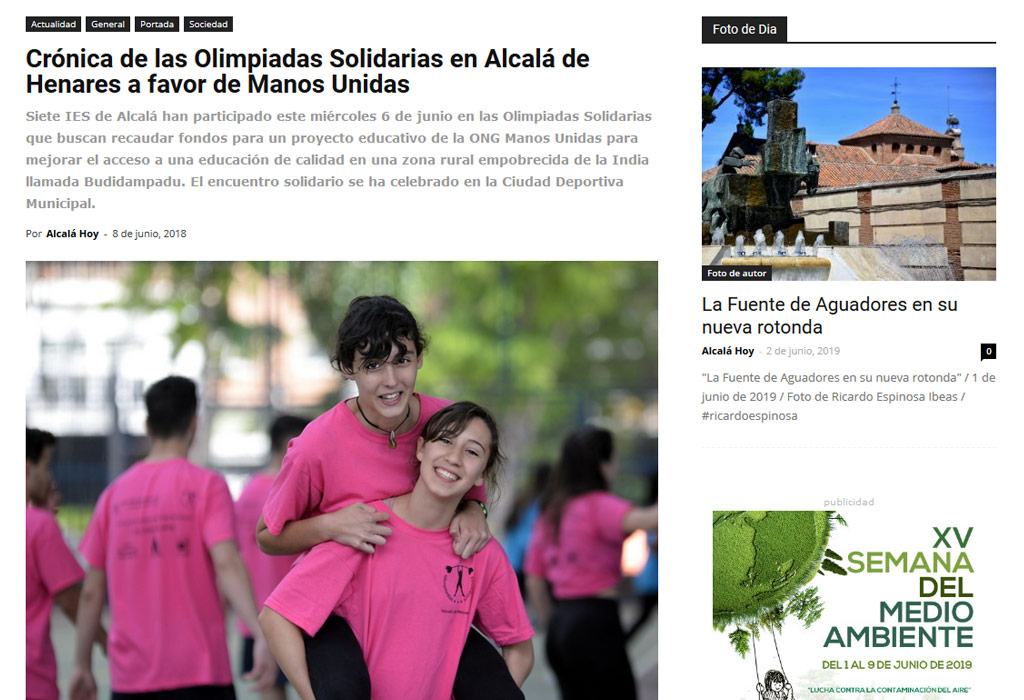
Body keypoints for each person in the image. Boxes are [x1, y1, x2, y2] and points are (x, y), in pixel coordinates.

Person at [256, 295, 518, 700]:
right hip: (339, 602)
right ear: (349, 368)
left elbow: (469, 490)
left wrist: (474, 509)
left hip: (420, 598)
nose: (391, 380)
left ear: (419, 359)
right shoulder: (317, 445)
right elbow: (266, 536)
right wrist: (330, 524)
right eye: (373, 365)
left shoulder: (449, 426)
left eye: (403, 360)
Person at [259, 402, 534, 700]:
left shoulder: (480, 550)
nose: (454, 458)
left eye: (472, 452)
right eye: (445, 440)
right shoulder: (365, 528)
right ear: (420, 449)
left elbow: (520, 648)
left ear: (483, 474)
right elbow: (276, 617)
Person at [70, 376, 276, 700]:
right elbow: (227, 563)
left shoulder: (113, 496)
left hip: (132, 678)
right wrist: (260, 633)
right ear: (194, 423)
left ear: (148, 426)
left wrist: (81, 664)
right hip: (201, 673)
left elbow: (91, 591)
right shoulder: (208, 486)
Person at [525, 425, 658, 700]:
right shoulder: (599, 505)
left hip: (561, 625)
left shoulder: (551, 511)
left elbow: (534, 580)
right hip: (595, 622)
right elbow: (651, 520)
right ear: (603, 462)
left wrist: (555, 624)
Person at [26, 428, 106, 700]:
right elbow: (72, 600)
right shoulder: (37, 526)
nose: (50, 478)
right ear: (27, 468)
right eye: (47, 466)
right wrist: (108, 643)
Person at [234, 415, 310, 700]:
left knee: (269, 693)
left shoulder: (249, 490)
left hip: (257, 617)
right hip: (300, 615)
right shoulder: (297, 491)